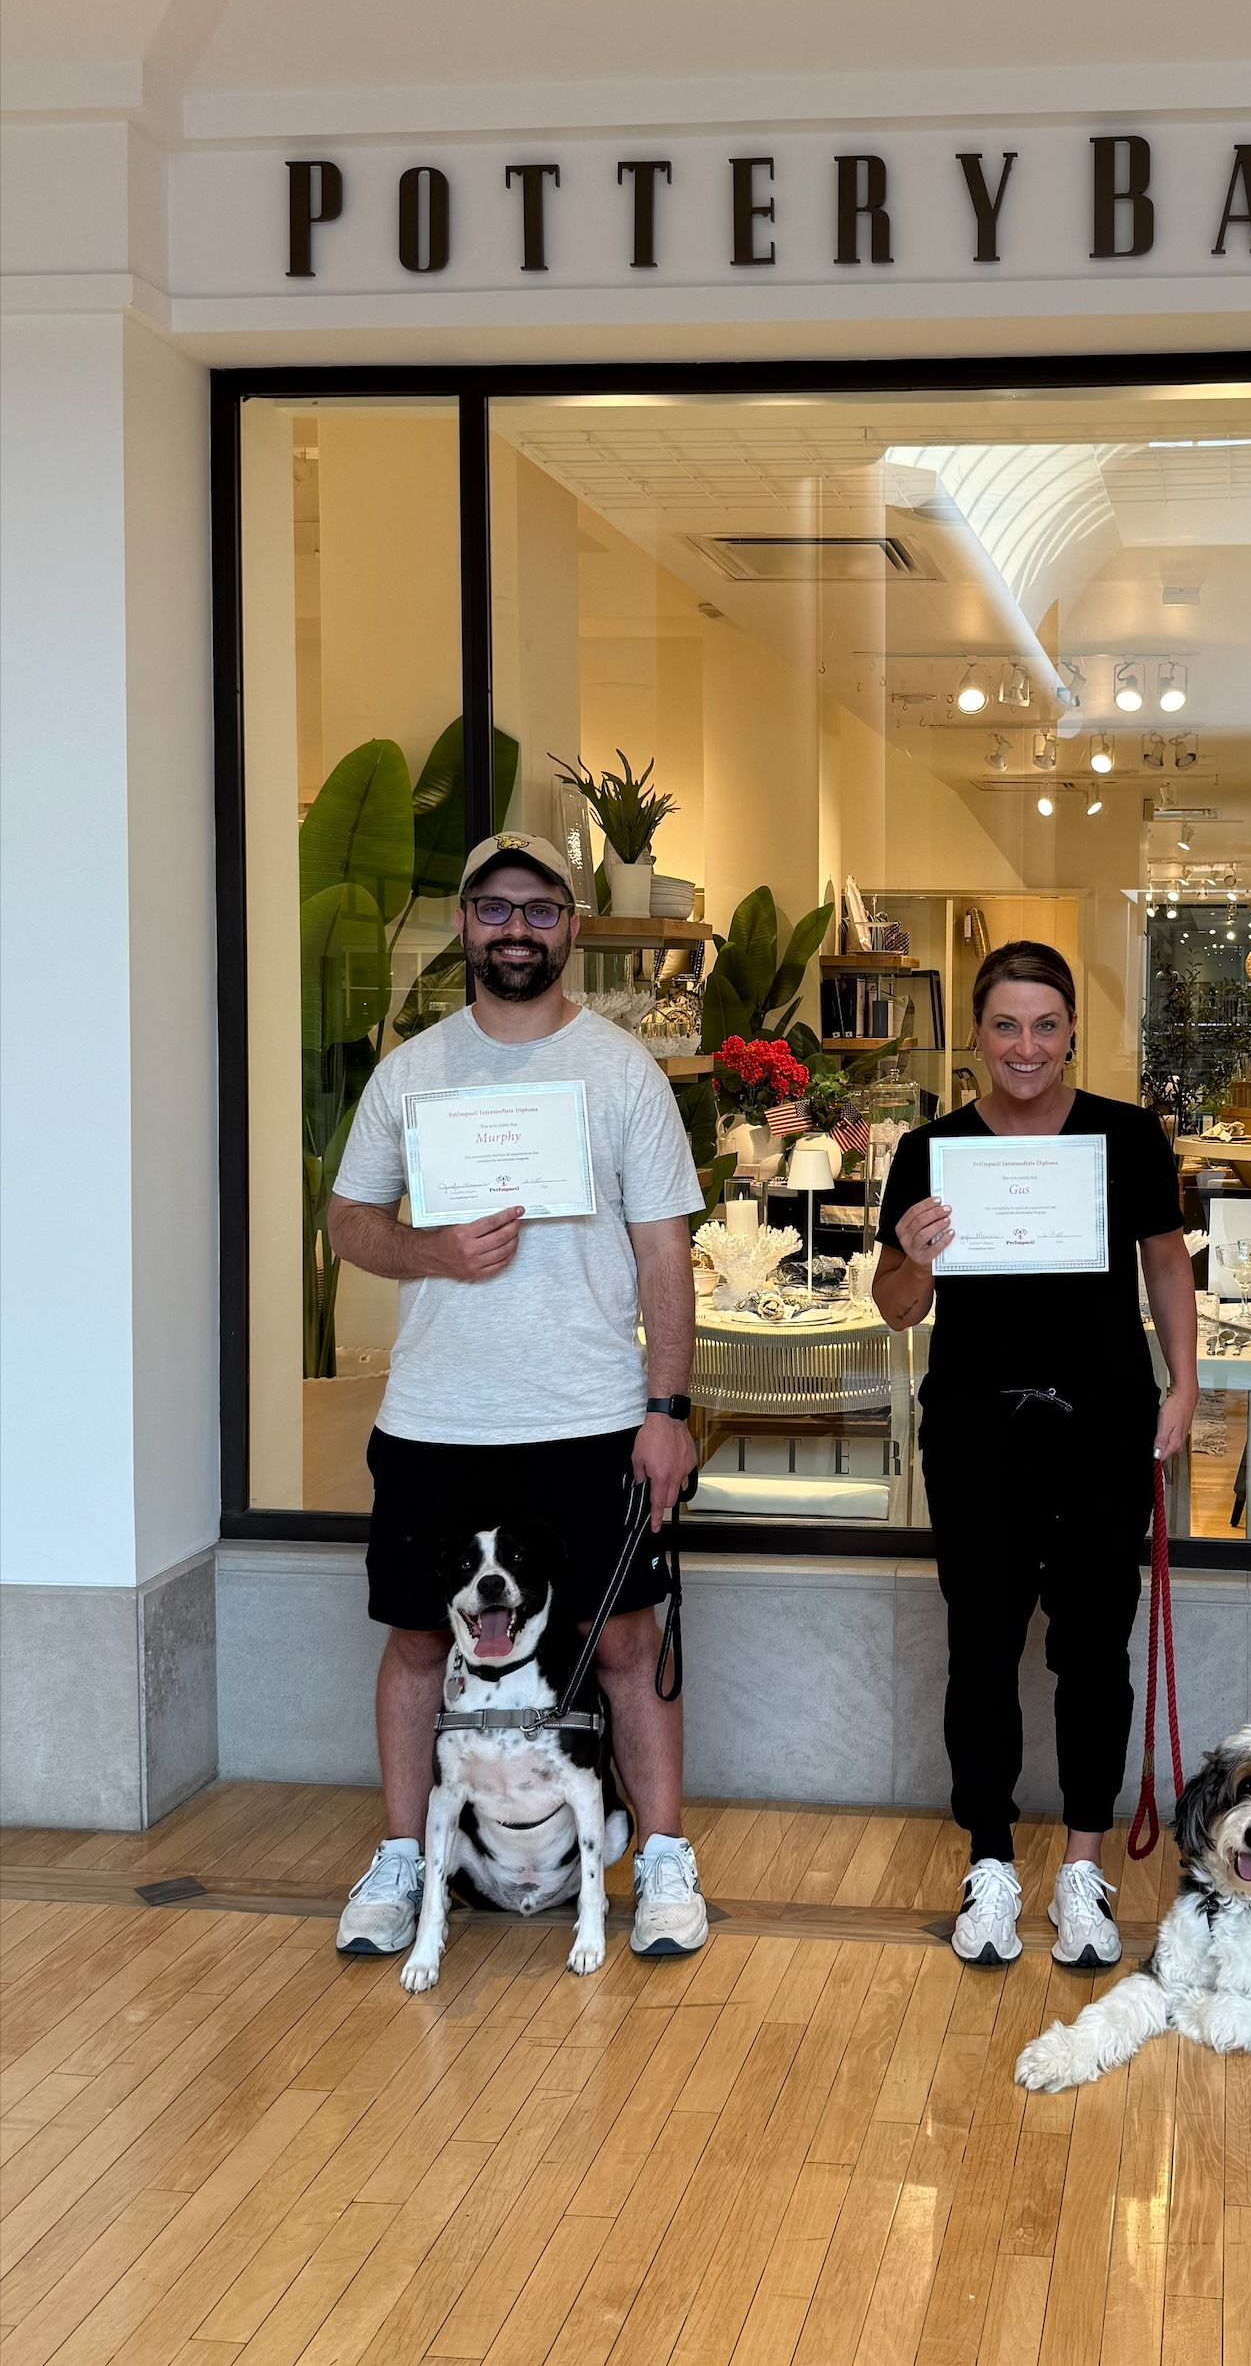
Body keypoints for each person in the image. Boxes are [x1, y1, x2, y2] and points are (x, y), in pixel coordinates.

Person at [327, 831, 709, 1962]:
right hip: (437, 1418)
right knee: (412, 1644)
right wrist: (433, 1252)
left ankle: (669, 1860)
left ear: (572, 927)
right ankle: (403, 1859)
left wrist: (668, 1408)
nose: (516, 929)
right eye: (495, 908)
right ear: (464, 923)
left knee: (630, 1640)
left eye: (540, 910)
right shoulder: (412, 1071)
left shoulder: (622, 1070)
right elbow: (349, 1223)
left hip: (591, 1412)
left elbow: (665, 1254)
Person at [874, 942, 1198, 1969]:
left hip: (1104, 1421)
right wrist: (914, 1257)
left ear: (1071, 1033)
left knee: (1094, 1648)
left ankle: (1086, 1869)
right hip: (977, 1425)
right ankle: (991, 1862)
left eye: (1045, 1025)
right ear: (978, 1035)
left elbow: (1165, 1265)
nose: (1026, 1046)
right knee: (982, 1644)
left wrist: (1184, 1382)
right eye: (1007, 1025)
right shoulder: (930, 1150)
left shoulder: (1128, 1135)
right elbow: (895, 1306)